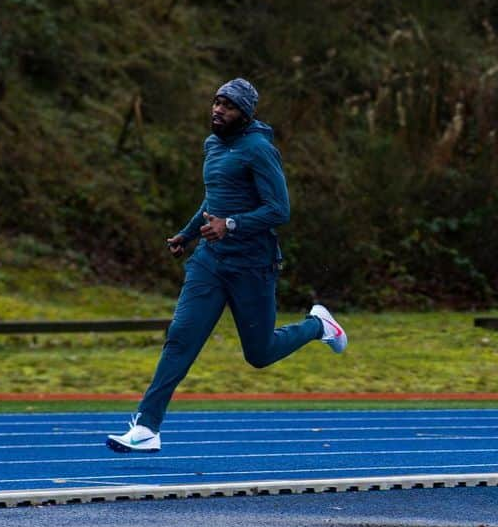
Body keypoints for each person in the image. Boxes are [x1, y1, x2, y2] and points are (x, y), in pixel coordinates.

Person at [107, 78, 347, 453]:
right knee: (181, 337)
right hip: (211, 262)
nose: (218, 110)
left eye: (229, 106)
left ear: (245, 114)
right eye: (216, 102)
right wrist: (188, 235)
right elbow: (214, 198)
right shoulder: (212, 144)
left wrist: (231, 224)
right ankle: (147, 426)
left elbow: (279, 210)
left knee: (260, 353)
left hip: (253, 265)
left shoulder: (259, 149)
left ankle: (319, 326)